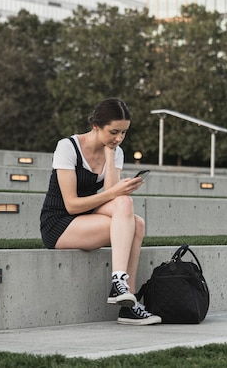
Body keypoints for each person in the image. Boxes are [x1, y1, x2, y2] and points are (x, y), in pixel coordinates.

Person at [40, 97, 161, 326]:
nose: (119, 138)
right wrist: (116, 191)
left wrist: (109, 154)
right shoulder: (68, 147)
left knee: (132, 214)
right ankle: (120, 287)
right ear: (96, 125)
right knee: (129, 218)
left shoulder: (115, 151)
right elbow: (71, 205)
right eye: (114, 132)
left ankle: (126, 295)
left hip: (87, 219)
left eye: (124, 133)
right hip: (60, 223)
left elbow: (114, 196)